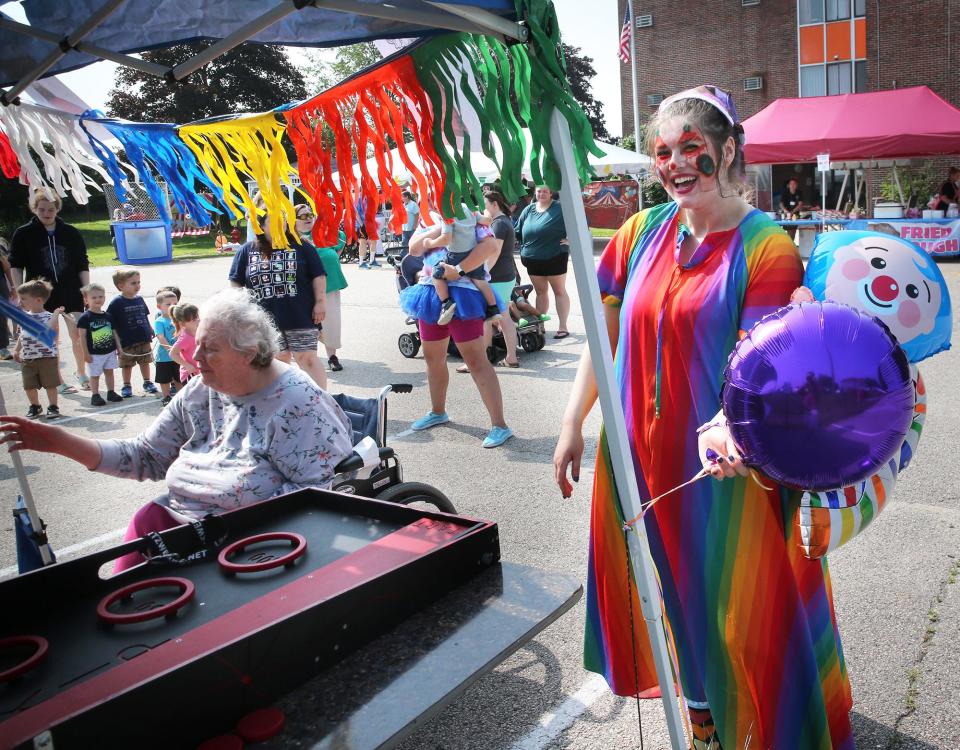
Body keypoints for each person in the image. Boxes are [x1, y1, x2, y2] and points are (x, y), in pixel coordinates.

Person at [553, 86, 853, 749]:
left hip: (727, 466)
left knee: (743, 603)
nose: (676, 163)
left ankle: (776, 722)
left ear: (728, 150)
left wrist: (725, 423)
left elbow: (761, 360)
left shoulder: (766, 246)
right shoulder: (636, 233)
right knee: (676, 600)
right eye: (664, 151)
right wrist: (574, 421)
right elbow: (601, 344)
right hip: (638, 462)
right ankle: (704, 726)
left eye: (693, 147)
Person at [0, 288, 353, 573]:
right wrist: (60, 442)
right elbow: (145, 457)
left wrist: (220, 536)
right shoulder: (203, 388)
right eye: (196, 342)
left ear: (250, 354)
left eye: (209, 349)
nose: (194, 357)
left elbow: (314, 499)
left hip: (249, 551)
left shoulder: (298, 403)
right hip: (178, 533)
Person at [403, 223, 513, 449]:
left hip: (465, 294)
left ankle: (500, 425)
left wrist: (460, 270)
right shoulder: (428, 218)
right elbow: (413, 249)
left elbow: (490, 245)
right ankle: (437, 411)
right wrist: (439, 230)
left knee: (475, 360)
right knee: (433, 358)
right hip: (429, 294)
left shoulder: (469, 213)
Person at [228, 201, 329, 390]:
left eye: (283, 220)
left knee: (306, 358)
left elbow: (319, 275)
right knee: (278, 361)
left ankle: (322, 401)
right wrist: (239, 312)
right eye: (274, 220)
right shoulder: (246, 251)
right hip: (264, 319)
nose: (280, 224)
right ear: (261, 225)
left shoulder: (301, 246)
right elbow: (236, 283)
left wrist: (320, 303)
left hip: (301, 313)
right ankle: (284, 403)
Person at [9, 188, 91, 392]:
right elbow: (16, 265)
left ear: (57, 209)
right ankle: (59, 381)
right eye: (42, 209)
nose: (47, 213)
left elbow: (82, 263)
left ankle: (82, 373)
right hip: (40, 294)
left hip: (71, 290)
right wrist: (21, 292)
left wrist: (86, 290)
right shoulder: (24, 233)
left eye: (51, 209)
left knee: (78, 334)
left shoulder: (70, 232)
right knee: (51, 337)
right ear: (35, 209)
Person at [456, 191, 522, 372]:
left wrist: (482, 274)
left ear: (494, 204)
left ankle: (480, 360)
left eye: (485, 205)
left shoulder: (499, 223)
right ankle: (510, 357)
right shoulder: (504, 221)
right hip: (506, 275)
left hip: (497, 277)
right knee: (503, 317)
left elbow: (494, 252)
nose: (484, 209)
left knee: (487, 319)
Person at [419, 204, 500, 324]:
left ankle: (446, 303)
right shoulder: (469, 208)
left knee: (436, 273)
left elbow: (446, 239)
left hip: (455, 256)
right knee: (479, 280)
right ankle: (493, 309)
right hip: (472, 254)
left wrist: (430, 243)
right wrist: (487, 212)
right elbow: (487, 221)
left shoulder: (447, 214)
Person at [294, 204, 348, 372]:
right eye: (303, 216)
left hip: (330, 286)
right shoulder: (292, 240)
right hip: (304, 290)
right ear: (293, 220)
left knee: (331, 322)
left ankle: (332, 356)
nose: (308, 218)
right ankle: (310, 359)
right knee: (307, 325)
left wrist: (332, 259)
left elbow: (341, 241)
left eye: (310, 214)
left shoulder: (324, 233)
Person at [515, 185, 571, 338]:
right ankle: (541, 324)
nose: (542, 194)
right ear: (535, 192)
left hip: (555, 256)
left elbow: (579, 224)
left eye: (545, 191)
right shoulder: (529, 209)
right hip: (532, 259)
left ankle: (563, 326)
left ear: (551, 192)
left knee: (559, 291)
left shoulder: (561, 208)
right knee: (540, 292)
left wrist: (572, 239)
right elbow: (517, 231)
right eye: (539, 191)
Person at [14, 279, 65, 419]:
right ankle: (35, 406)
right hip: (28, 358)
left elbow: (48, 328)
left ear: (38, 300)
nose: (20, 302)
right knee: (28, 385)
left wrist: (55, 314)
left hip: (47, 357)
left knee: (50, 384)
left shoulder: (48, 316)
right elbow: (22, 335)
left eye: (23, 299)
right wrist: (17, 350)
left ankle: (53, 406)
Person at [107, 268, 157, 398]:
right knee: (127, 365)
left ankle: (147, 382)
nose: (137, 285)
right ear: (121, 286)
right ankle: (127, 385)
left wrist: (150, 329)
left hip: (143, 337)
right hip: (126, 340)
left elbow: (144, 316)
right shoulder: (116, 302)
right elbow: (111, 323)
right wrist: (116, 342)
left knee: (145, 361)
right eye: (133, 283)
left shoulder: (139, 299)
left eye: (138, 282)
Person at [76, 283, 123, 406]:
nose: (98, 299)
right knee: (95, 375)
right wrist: (85, 353)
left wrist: (119, 348)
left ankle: (111, 392)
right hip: (94, 354)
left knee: (109, 371)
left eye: (101, 296)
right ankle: (95, 395)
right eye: (94, 297)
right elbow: (82, 337)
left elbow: (114, 333)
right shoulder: (85, 318)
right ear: (86, 300)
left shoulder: (108, 316)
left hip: (109, 351)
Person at [152, 290, 179, 405]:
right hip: (164, 356)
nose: (172, 306)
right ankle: (166, 396)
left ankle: (180, 396)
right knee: (164, 378)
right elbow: (161, 337)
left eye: (175, 304)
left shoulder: (178, 319)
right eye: (168, 304)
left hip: (178, 355)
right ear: (159, 306)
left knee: (178, 377)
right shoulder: (160, 321)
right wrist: (170, 349)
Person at [169, 302, 200, 384]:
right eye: (194, 320)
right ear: (183, 323)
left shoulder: (200, 331)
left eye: (197, 317)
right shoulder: (185, 338)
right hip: (190, 375)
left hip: (200, 373)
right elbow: (172, 354)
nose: (198, 320)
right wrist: (187, 365)